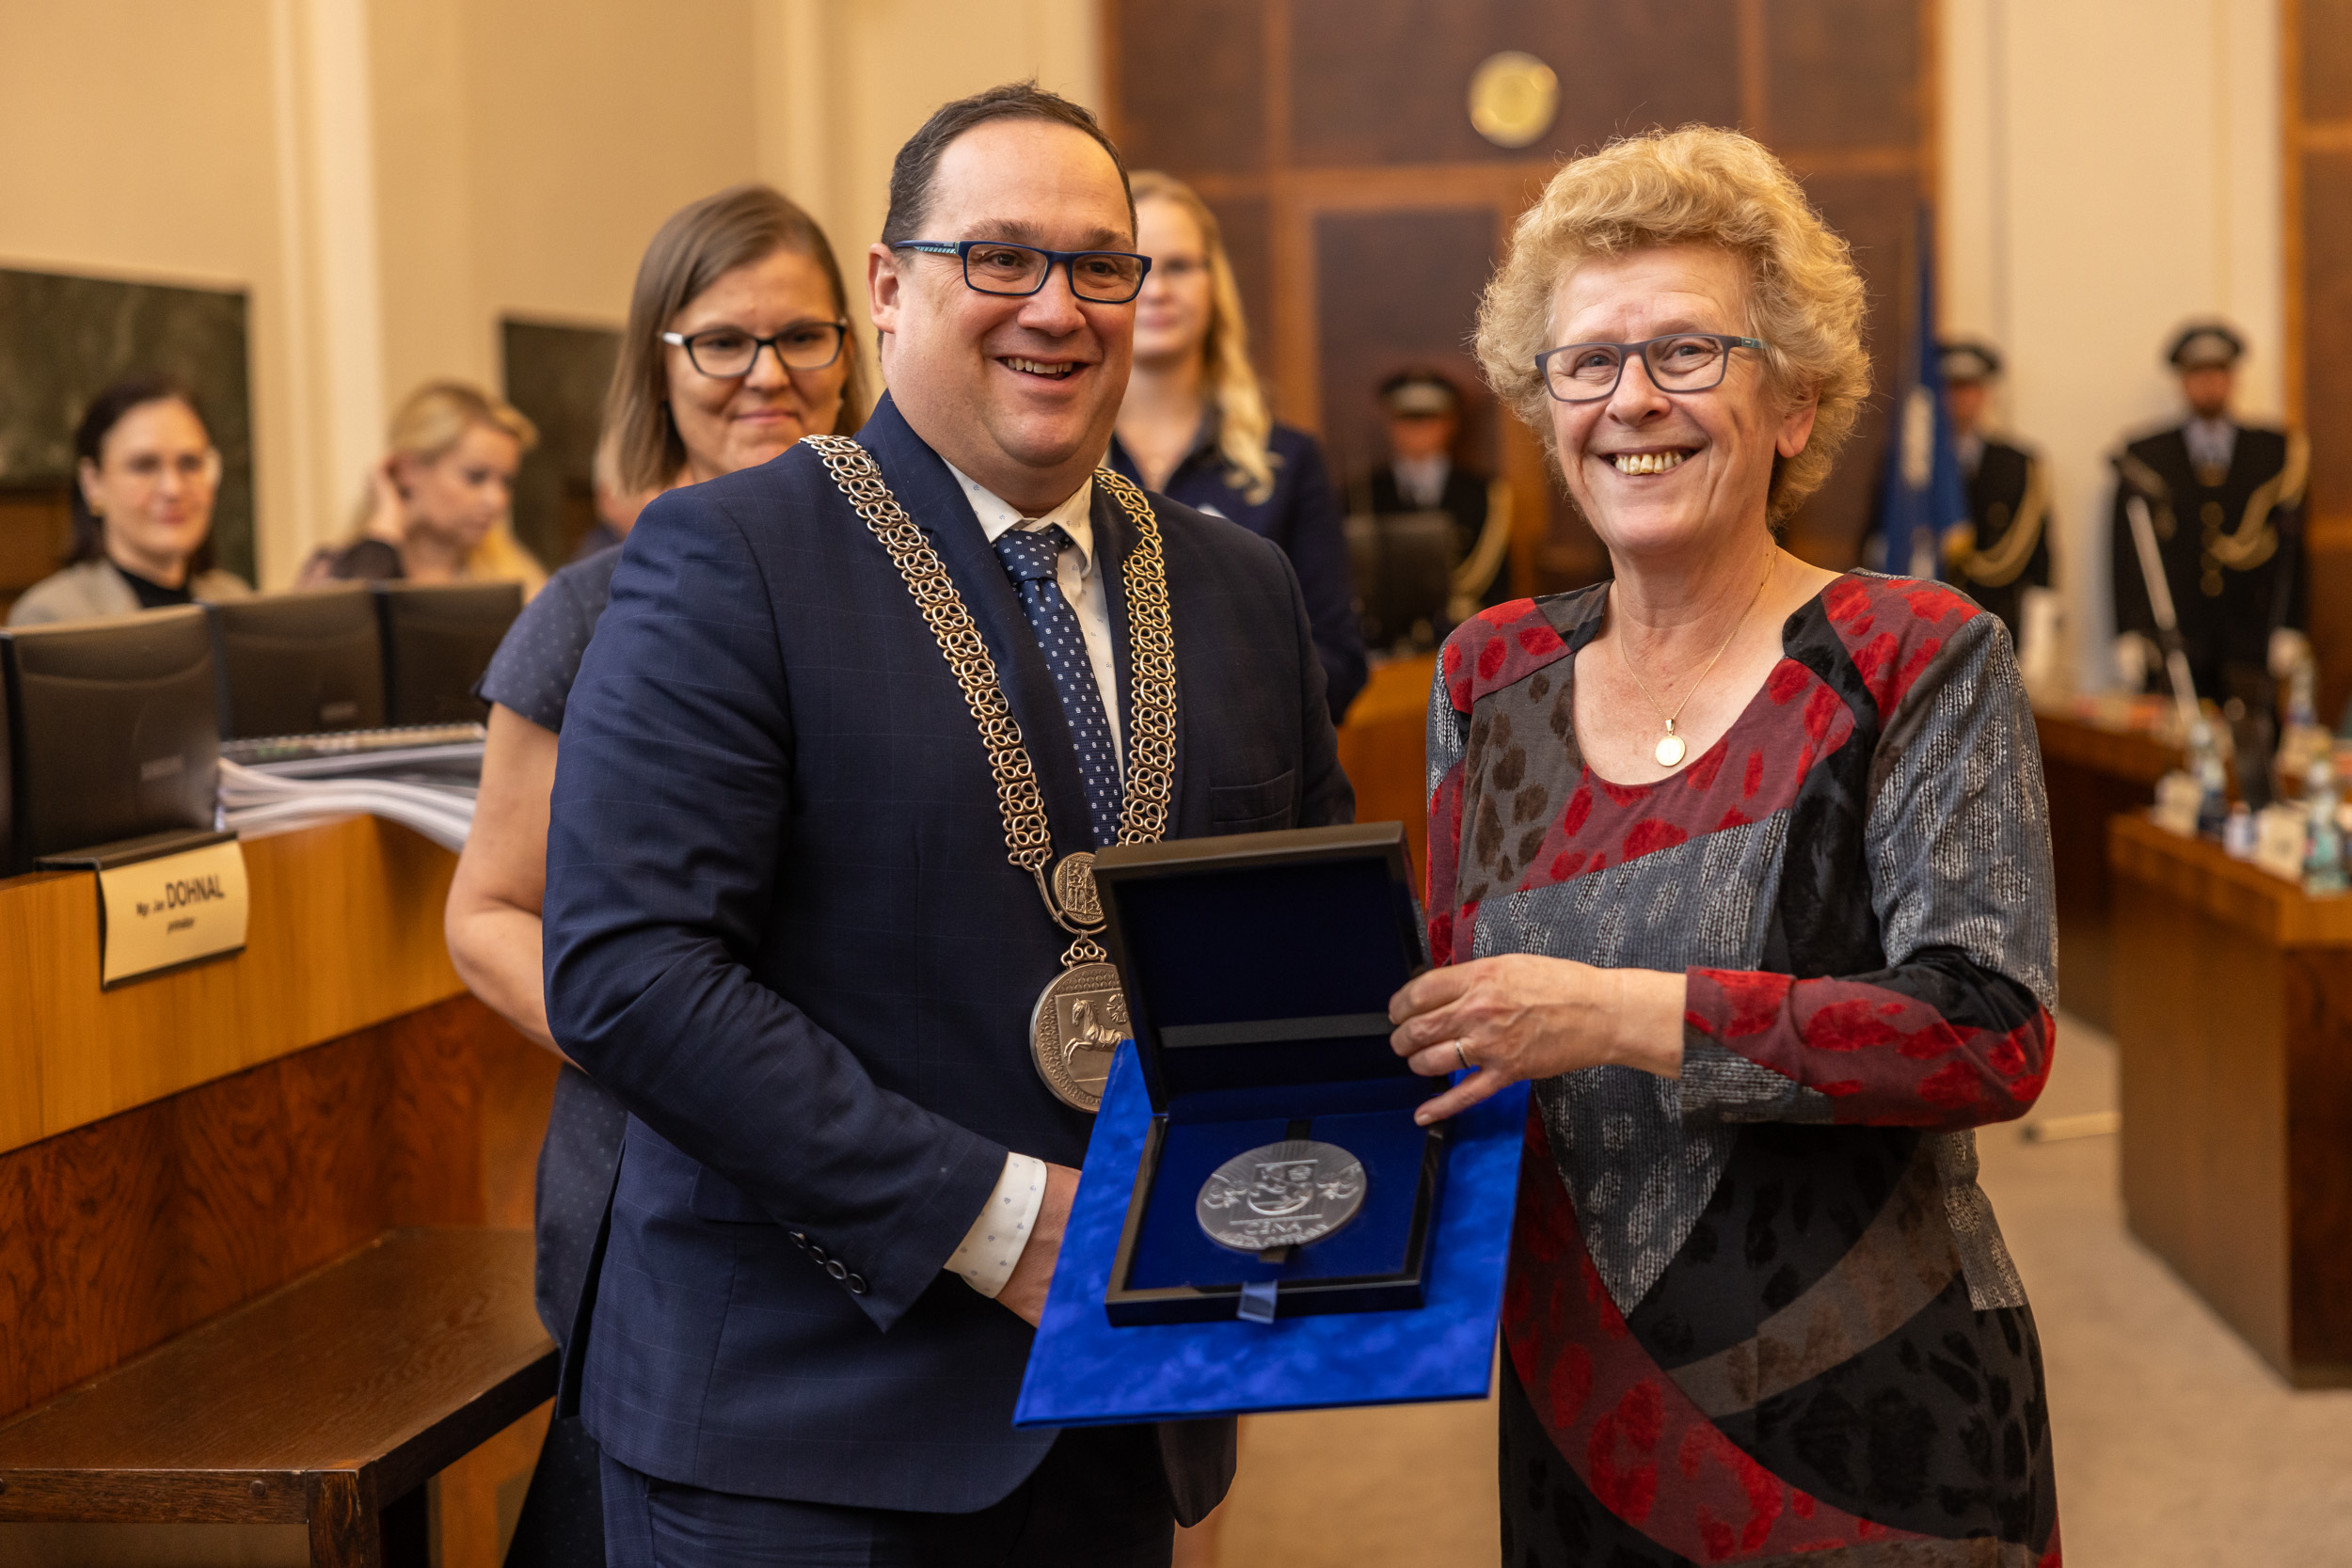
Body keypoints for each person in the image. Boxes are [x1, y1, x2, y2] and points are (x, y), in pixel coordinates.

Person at [541, 83, 1349, 1566]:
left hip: (1124, 1403)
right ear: (888, 285)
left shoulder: (1240, 589)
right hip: (801, 1436)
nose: (1058, 306)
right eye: (1000, 256)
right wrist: (1002, 1217)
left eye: (1103, 264)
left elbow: (1297, 961)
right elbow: (629, 973)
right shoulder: (728, 558)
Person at [1386, 126, 2059, 1564]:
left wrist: (1615, 1012)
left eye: (1689, 352)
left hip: (1875, 1406)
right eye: (1587, 362)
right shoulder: (1483, 678)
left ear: (1796, 400)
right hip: (1582, 1404)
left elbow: (1989, 1033)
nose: (1633, 400)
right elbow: (1452, 1031)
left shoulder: (1915, 655)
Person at [442, 181, 867, 1568]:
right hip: (662, 1176)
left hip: (893, 1151)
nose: (766, 375)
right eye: (721, 341)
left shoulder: (915, 586)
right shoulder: (583, 615)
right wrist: (682, 1054)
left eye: (801, 335)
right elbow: (490, 914)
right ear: (660, 364)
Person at [1108, 169, 1366, 720]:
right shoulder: (1055, 461)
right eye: (1133, 267)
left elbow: (1339, 660)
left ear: (1213, 282)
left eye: (1179, 265)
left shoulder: (1291, 461)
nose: (1157, 289)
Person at [2110, 322, 2307, 710]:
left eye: (2219, 372)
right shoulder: (2146, 456)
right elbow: (2126, 551)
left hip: (2252, 635)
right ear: (2181, 380)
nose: (2209, 383)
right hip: (2173, 638)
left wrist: (2293, 626)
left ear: (2234, 377)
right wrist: (2128, 630)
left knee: (2254, 751)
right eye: (2198, 374)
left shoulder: (2277, 452)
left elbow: (2294, 550)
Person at [9, 374, 251, 626]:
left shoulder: (234, 599)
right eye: (144, 466)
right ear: (93, 483)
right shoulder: (52, 619)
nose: (173, 489)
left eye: (190, 464)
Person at [298, 381, 548, 597]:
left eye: (506, 482)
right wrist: (385, 527)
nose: (496, 500)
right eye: (475, 477)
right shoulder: (331, 574)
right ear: (409, 470)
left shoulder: (523, 586)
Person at [1352, 368, 1512, 621]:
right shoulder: (1359, 495)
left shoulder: (1485, 494)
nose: (1418, 429)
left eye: (1429, 418)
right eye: (1408, 418)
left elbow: (1494, 584)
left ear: (1450, 424)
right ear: (1390, 423)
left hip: (1461, 628)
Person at [1938, 339, 2052, 650]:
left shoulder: (2019, 464)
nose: (1961, 397)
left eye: (1970, 387)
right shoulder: (1914, 470)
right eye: (1951, 387)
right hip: (1928, 622)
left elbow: (2039, 554)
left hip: (1998, 620)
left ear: (1985, 393)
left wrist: (2040, 631)